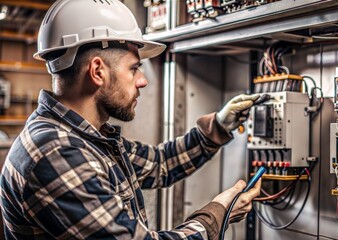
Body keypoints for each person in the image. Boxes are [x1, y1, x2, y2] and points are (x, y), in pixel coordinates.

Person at [0, 0, 261, 239]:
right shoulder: (56, 152)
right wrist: (218, 213)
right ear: (98, 71)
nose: (142, 81)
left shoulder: (87, 138)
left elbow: (160, 163)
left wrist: (216, 128)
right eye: (134, 68)